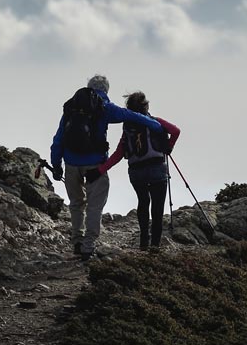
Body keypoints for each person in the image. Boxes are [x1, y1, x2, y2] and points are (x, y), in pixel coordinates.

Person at [50, 75, 163, 259]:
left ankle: (77, 242)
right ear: (106, 90)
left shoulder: (72, 107)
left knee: (76, 203)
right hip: (95, 163)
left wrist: (56, 164)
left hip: (70, 162)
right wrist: (155, 125)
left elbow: (59, 138)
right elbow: (131, 115)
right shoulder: (104, 106)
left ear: (88, 86)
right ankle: (89, 246)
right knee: (95, 206)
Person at [101, 91, 181, 251]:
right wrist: (169, 147)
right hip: (157, 169)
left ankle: (144, 241)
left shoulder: (128, 129)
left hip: (136, 172)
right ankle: (155, 245)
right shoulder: (156, 122)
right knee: (157, 207)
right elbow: (176, 131)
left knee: (143, 202)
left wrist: (101, 169)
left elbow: (118, 154)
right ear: (146, 106)